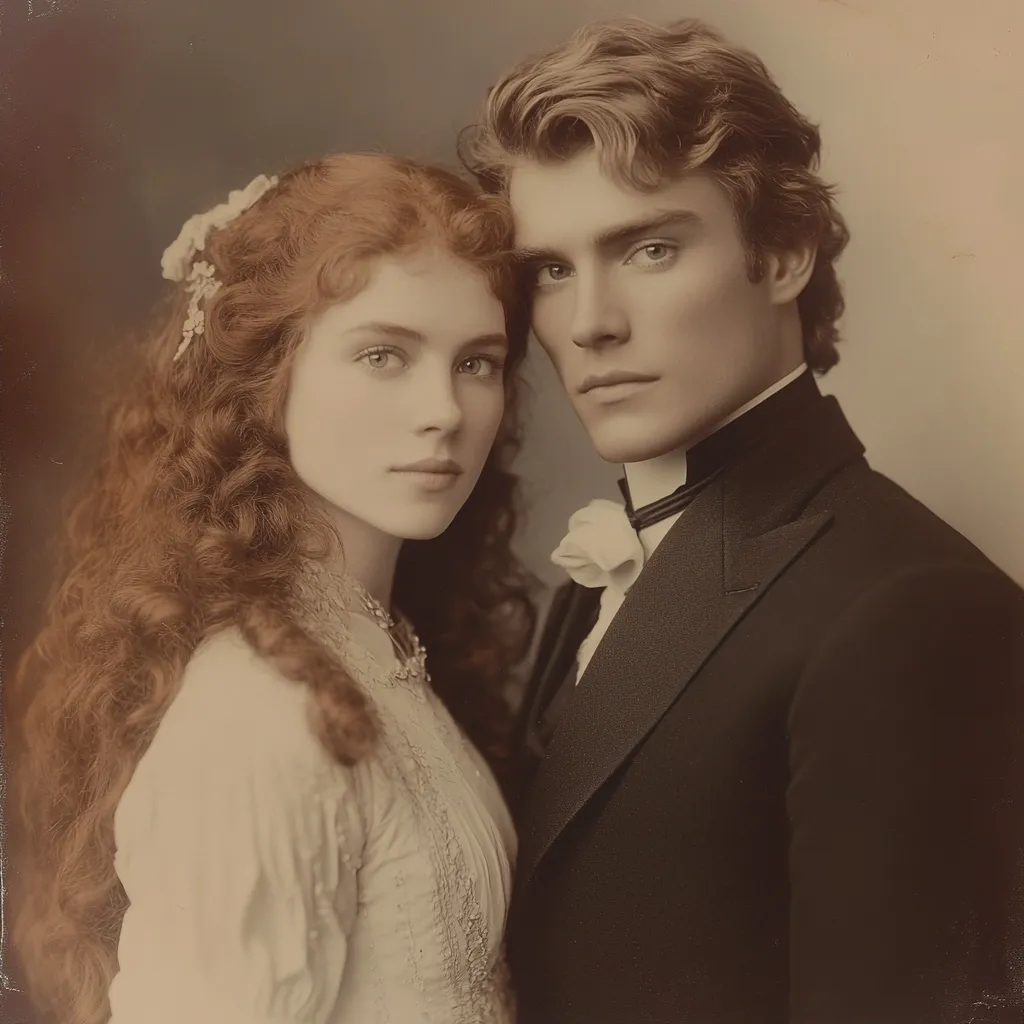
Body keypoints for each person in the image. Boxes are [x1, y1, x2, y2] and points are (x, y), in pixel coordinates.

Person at [461, 16, 1024, 1024]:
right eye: (550, 270)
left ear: (783, 254)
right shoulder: (606, 569)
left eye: (649, 248)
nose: (589, 322)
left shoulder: (913, 609)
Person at [7, 153, 537, 1024]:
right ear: (267, 376)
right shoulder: (258, 713)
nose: (444, 410)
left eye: (477, 363)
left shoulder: (371, 646)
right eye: (383, 355)